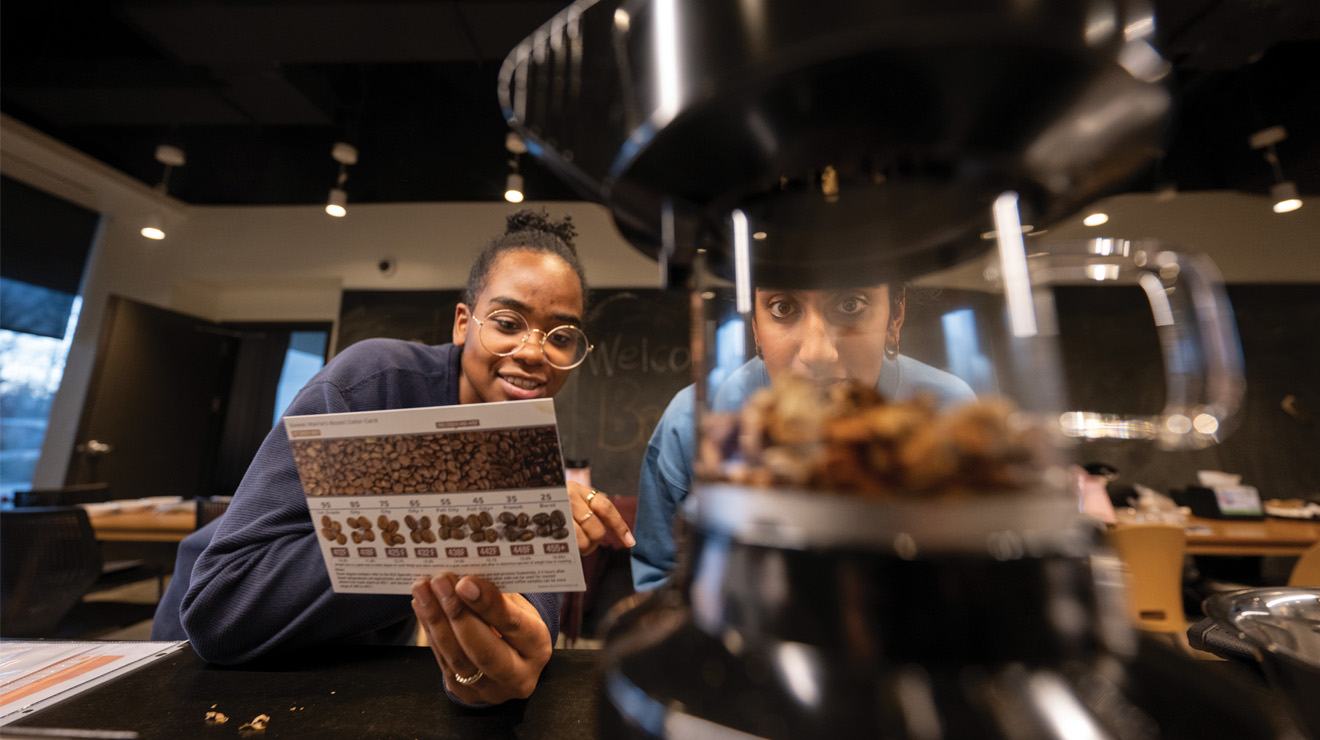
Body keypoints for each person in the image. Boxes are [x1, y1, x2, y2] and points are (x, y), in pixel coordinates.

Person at [153, 210, 634, 706]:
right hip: (201, 664)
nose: (536, 353)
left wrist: (517, 648)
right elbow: (221, 609)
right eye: (508, 323)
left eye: (561, 337)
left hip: (344, 676)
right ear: (463, 323)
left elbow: (527, 615)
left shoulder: (521, 437)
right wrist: (480, 527)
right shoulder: (374, 382)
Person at [631, 282, 975, 591]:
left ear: (895, 316)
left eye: (851, 305)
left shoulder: (949, 416)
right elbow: (660, 577)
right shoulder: (695, 421)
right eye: (783, 308)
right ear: (754, 326)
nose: (818, 353)